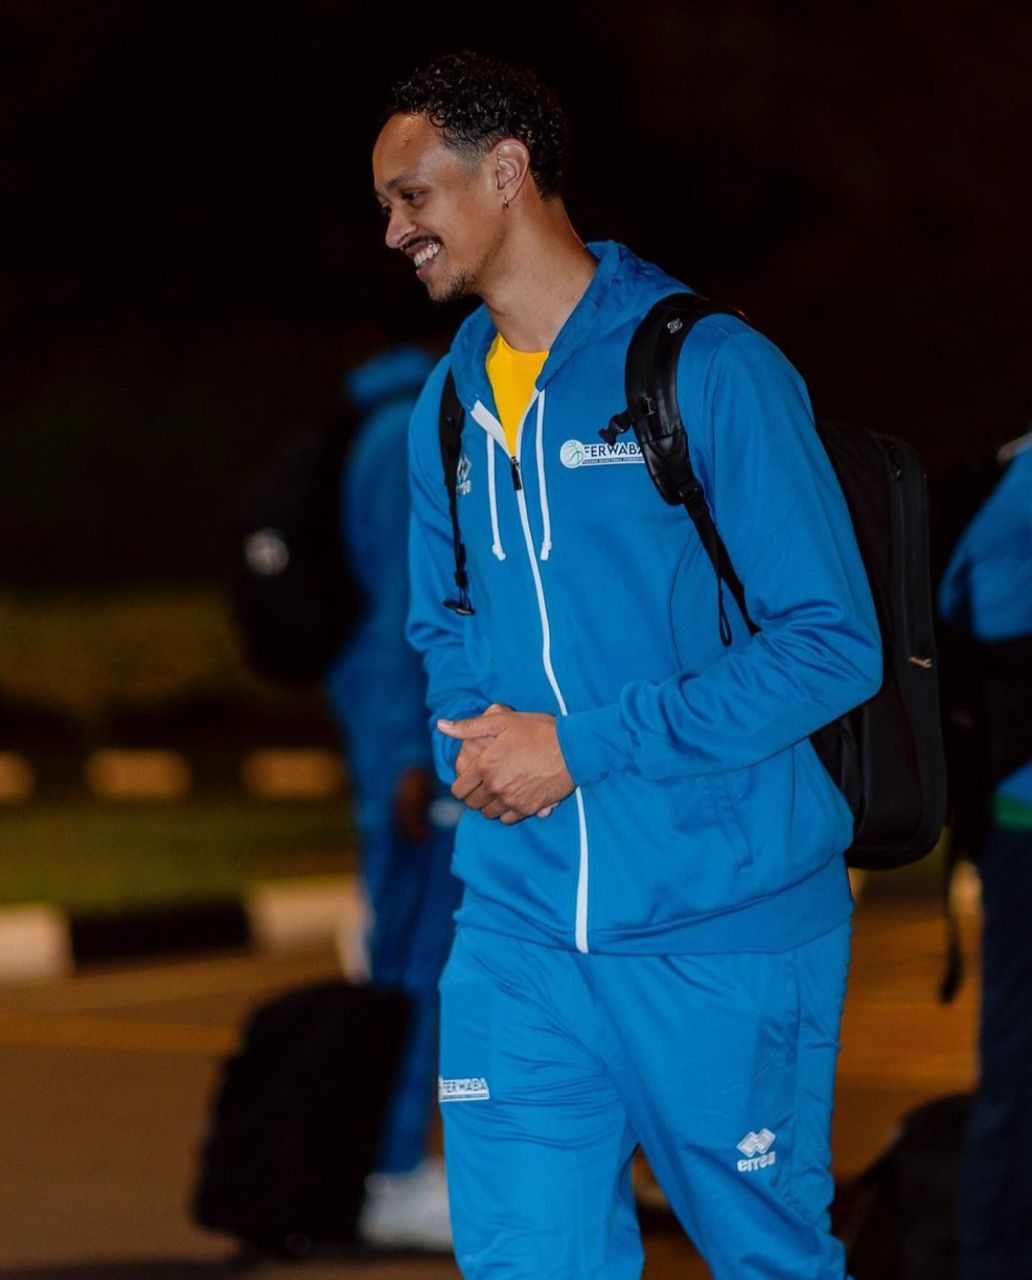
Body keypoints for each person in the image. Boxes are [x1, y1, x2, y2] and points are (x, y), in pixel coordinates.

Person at [373, 52, 882, 1278]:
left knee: (768, 1259)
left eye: (412, 196)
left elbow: (832, 643)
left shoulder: (708, 368)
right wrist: (477, 738)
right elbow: (443, 621)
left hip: (723, 923)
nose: (393, 231)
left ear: (506, 172)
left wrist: (579, 746)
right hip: (518, 929)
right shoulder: (445, 404)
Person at [323, 345, 462, 1251]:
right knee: (415, 966)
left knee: (432, 964)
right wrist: (411, 754)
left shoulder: (398, 424)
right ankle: (390, 1172)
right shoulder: (411, 433)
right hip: (419, 757)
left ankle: (396, 1163)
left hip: (415, 747)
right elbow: (404, 615)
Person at [938, 436, 1032, 1280]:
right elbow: (968, 604)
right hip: (1023, 819)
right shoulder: (1024, 479)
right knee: (1018, 1064)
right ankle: (993, 1259)